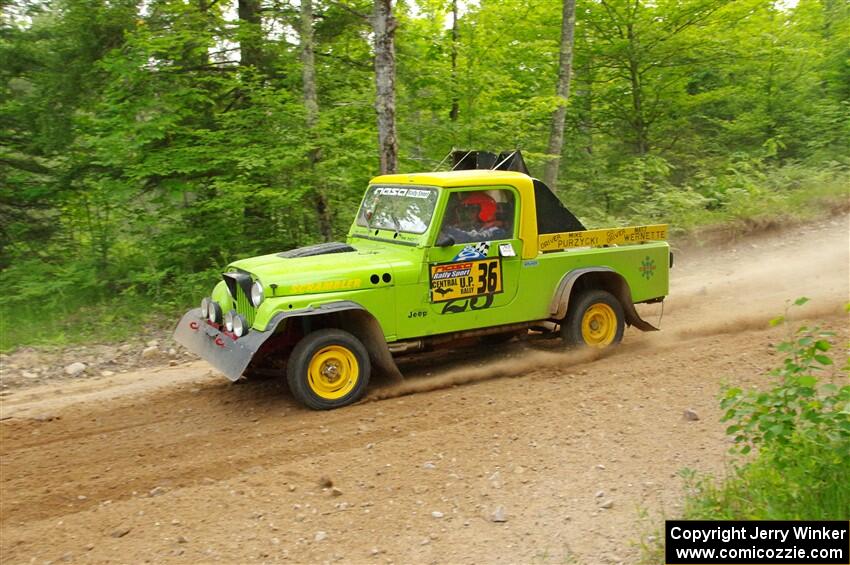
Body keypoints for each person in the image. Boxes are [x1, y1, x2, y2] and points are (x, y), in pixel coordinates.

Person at [440, 191, 510, 244]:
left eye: (472, 210)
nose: (467, 214)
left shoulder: (497, 231)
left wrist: (446, 228)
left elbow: (472, 238)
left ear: (485, 211)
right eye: (465, 210)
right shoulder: (477, 226)